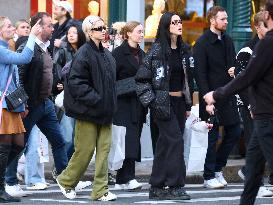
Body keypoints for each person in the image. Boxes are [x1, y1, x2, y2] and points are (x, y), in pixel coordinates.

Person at [203, 1, 273, 204]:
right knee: (252, 170)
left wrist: (217, 94)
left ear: (267, 16)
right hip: (263, 114)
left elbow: (247, 76)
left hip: (266, 115)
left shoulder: (267, 42)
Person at [4, 12, 68, 197]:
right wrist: (23, 105)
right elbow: (20, 78)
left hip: (46, 103)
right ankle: (10, 181)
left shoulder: (46, 47)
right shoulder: (27, 47)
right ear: (38, 27)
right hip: (30, 105)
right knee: (19, 145)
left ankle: (65, 179)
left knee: (58, 141)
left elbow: (47, 73)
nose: (52, 28)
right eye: (48, 25)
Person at [56, 15, 117, 201]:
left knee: (104, 151)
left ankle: (100, 190)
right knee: (85, 150)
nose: (103, 30)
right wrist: (97, 99)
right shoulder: (84, 53)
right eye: (98, 28)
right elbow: (75, 83)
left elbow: (111, 83)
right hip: (89, 111)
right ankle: (66, 180)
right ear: (89, 32)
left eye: (104, 27)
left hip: (105, 111)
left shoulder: (106, 54)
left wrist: (110, 102)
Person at [135, 12, 192, 200]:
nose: (179, 25)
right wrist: (152, 102)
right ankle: (175, 185)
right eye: (174, 22)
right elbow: (142, 80)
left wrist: (188, 104)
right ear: (167, 26)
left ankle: (156, 186)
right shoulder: (157, 50)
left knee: (164, 145)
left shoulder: (184, 50)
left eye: (180, 21)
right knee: (176, 141)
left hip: (179, 103)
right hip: (162, 104)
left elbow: (188, 80)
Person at [193, 6, 241, 189]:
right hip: (210, 96)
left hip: (227, 94)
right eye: (223, 19)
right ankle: (208, 176)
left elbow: (232, 65)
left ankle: (218, 168)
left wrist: (233, 69)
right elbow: (200, 74)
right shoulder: (202, 43)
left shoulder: (228, 40)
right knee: (211, 138)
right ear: (212, 20)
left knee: (235, 131)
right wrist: (207, 99)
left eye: (227, 19)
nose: (226, 22)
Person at [230, 11, 273, 197]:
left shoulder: (267, 47)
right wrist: (250, 106)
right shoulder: (248, 50)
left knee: (259, 147)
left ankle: (249, 173)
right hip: (250, 105)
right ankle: (254, 178)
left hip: (263, 106)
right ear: (258, 28)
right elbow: (243, 82)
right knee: (253, 142)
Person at [0, 15, 41, 203]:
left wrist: (21, 103)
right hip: (3, 104)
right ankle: (1, 188)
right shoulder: (0, 49)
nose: (11, 28)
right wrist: (32, 35)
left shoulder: (7, 47)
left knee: (18, 143)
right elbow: (25, 59)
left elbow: (14, 78)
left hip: (12, 103)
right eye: (8, 26)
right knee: (6, 144)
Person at [112, 21, 146, 191]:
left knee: (133, 139)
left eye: (142, 31)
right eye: (138, 31)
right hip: (122, 104)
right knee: (126, 141)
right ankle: (127, 177)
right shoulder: (118, 54)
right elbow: (112, 81)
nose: (141, 34)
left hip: (139, 104)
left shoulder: (143, 54)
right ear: (128, 34)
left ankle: (122, 179)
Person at [53, 24, 86, 160]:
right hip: (66, 98)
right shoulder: (62, 51)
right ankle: (61, 167)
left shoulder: (85, 51)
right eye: (69, 33)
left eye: (74, 33)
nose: (71, 35)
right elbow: (56, 71)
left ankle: (69, 168)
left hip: (82, 98)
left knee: (77, 138)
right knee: (67, 135)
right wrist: (64, 84)